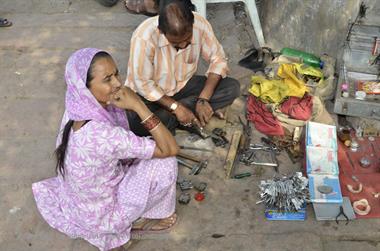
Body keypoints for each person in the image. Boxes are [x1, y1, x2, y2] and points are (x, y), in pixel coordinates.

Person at [32, 48, 179, 251]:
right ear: (86, 87)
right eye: (107, 79)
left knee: (144, 144)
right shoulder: (103, 135)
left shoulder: (74, 108)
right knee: (165, 162)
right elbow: (170, 149)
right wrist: (138, 105)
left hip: (78, 205)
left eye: (116, 74)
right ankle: (144, 219)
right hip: (104, 217)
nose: (118, 83)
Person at [125, 0, 240, 136]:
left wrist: (204, 99)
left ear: (192, 23)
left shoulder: (200, 24)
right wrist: (176, 107)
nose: (184, 45)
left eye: (188, 39)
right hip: (148, 97)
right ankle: (184, 114)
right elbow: (143, 85)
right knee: (136, 123)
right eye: (175, 43)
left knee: (231, 87)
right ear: (161, 31)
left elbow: (218, 60)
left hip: (182, 87)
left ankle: (183, 115)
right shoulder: (144, 37)